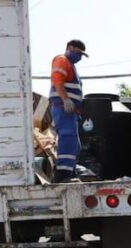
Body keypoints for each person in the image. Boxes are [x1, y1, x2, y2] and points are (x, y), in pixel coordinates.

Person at [50, 39, 88, 183]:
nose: (79, 57)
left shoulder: (70, 65)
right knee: (67, 138)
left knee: (74, 143)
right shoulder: (62, 60)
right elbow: (57, 81)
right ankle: (62, 175)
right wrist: (66, 99)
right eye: (78, 53)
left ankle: (69, 172)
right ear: (70, 48)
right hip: (63, 108)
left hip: (70, 111)